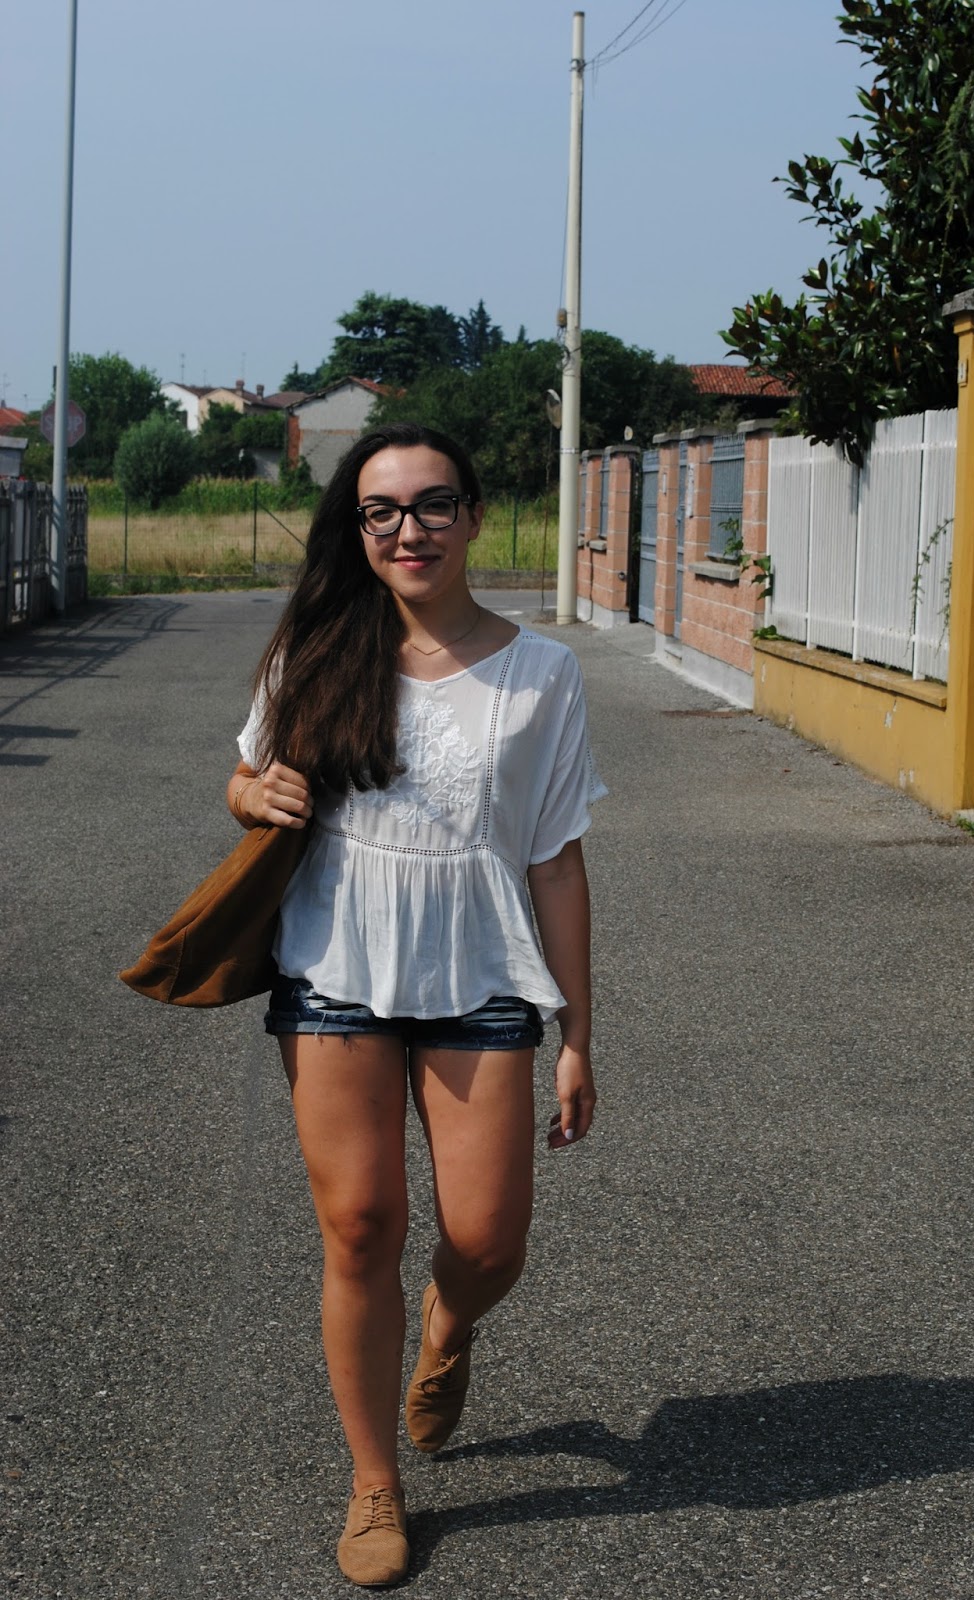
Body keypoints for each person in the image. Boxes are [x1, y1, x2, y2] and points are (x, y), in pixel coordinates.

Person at [226, 422, 606, 1587]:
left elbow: (556, 860)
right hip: (334, 971)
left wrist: (580, 1034)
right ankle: (374, 1480)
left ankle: (446, 1326)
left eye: (434, 504)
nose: (409, 530)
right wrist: (252, 794)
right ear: (358, 529)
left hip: (481, 978)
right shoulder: (317, 646)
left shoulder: (542, 674)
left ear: (474, 515)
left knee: (487, 1240)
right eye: (382, 511)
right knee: (360, 1227)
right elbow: (246, 772)